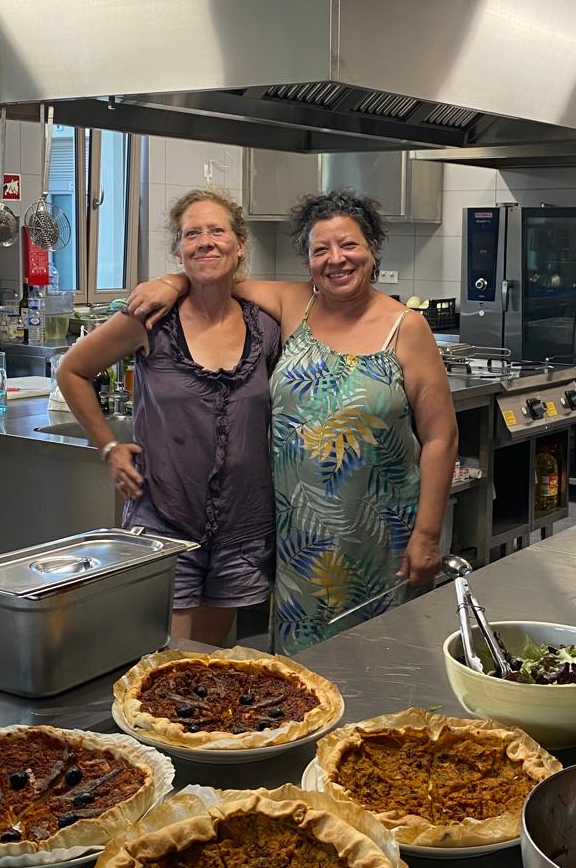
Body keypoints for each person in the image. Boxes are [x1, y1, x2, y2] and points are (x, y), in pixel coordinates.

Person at [127, 188, 458, 653]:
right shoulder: (293, 304)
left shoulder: (405, 327)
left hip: (381, 535)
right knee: (305, 666)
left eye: (349, 245)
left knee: (384, 658)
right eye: (321, 249)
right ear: (307, 260)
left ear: (372, 249)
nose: (336, 259)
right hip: (299, 538)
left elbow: (441, 437)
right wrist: (170, 281)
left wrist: (427, 533)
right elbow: (215, 275)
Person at [58, 188, 280, 645]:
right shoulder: (149, 319)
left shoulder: (265, 325)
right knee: (163, 657)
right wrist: (109, 446)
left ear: (240, 245)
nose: (205, 242)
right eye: (191, 234)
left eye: (217, 231)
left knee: (209, 659)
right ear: (178, 251)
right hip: (164, 516)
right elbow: (72, 371)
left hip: (241, 525)